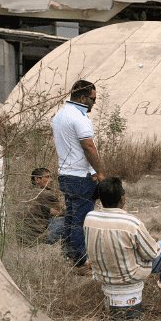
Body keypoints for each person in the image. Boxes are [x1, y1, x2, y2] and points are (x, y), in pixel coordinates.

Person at [84, 177, 161, 319]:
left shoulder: (89, 218)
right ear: (122, 198)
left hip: (101, 274)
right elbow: (151, 253)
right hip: (129, 275)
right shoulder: (131, 223)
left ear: (100, 199)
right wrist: (151, 242)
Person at [51, 79, 105, 268]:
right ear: (83, 98)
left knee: (71, 217)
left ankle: (69, 254)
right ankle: (80, 261)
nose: (94, 102)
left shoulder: (60, 115)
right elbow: (88, 146)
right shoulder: (79, 117)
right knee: (81, 220)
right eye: (92, 99)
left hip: (65, 174)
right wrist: (100, 172)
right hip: (79, 176)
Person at [17, 167, 65, 245]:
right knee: (71, 219)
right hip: (38, 238)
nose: (51, 180)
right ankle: (71, 251)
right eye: (47, 177)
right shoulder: (45, 194)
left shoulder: (27, 193)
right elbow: (64, 211)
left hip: (22, 240)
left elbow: (48, 211)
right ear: (37, 179)